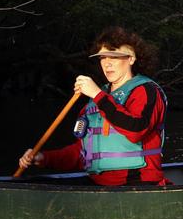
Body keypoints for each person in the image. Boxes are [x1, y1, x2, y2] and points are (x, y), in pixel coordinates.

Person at [18, 26, 168, 186]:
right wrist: (44, 158)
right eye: (103, 57)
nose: (107, 63)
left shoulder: (146, 91)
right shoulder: (97, 97)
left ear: (131, 59)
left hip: (137, 183)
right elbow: (82, 152)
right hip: (99, 184)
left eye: (114, 57)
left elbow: (136, 129)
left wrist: (97, 95)